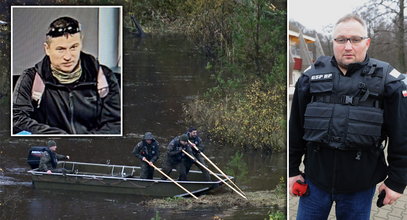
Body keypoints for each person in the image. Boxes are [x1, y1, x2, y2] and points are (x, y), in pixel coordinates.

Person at [289, 14, 407, 219]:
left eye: (355, 39)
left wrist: (397, 181)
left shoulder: (388, 82)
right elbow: (295, 129)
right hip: (315, 183)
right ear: (333, 42)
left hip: (359, 188)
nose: (348, 46)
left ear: (367, 42)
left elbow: (402, 136)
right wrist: (291, 170)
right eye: (341, 40)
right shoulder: (310, 78)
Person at [13, 16, 121, 134]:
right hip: (51, 145)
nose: (68, 57)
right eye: (61, 49)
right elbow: (17, 119)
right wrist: (60, 138)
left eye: (74, 47)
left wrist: (84, 143)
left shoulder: (104, 77)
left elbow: (115, 123)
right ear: (47, 49)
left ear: (81, 43)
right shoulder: (31, 78)